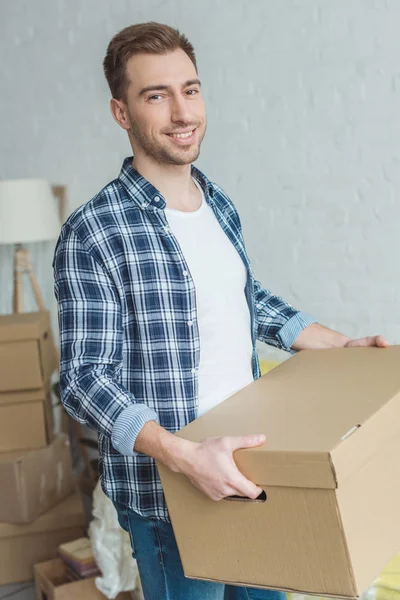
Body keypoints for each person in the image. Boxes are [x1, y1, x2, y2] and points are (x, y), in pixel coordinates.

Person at [53, 21, 389, 600]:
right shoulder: (94, 231)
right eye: (156, 95)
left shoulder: (219, 205)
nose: (182, 111)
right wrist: (186, 457)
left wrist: (339, 348)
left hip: (253, 474)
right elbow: (84, 380)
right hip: (171, 495)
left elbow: (242, 298)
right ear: (121, 113)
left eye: (190, 89)